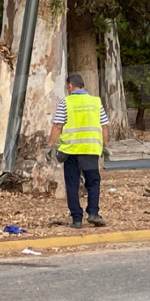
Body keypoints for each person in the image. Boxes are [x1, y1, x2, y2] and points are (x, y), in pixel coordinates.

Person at [45, 74, 110, 229]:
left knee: (72, 184)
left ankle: (77, 219)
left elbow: (57, 126)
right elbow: (104, 126)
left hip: (71, 151)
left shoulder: (66, 103)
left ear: (70, 87)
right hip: (90, 150)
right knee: (93, 182)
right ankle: (93, 213)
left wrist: (50, 145)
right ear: (83, 86)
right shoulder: (96, 102)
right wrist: (105, 146)